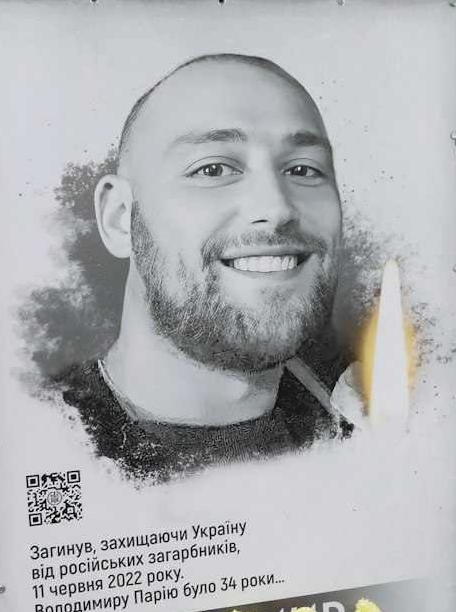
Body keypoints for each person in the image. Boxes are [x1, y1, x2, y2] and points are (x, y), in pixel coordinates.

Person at [56, 54, 354, 479]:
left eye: (303, 169)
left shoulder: (369, 430)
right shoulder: (41, 442)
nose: (276, 208)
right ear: (120, 217)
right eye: (213, 169)